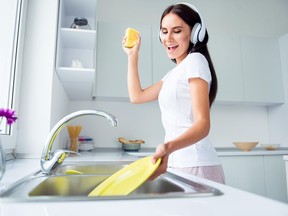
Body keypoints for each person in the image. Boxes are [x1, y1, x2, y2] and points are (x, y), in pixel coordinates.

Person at [122, 2, 225, 184]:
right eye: (164, 31)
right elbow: (136, 96)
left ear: (195, 33)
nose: (168, 38)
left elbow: (203, 125)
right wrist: (132, 56)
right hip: (177, 163)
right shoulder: (173, 74)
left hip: (196, 164)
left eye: (177, 31)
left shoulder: (195, 60)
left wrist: (168, 147)